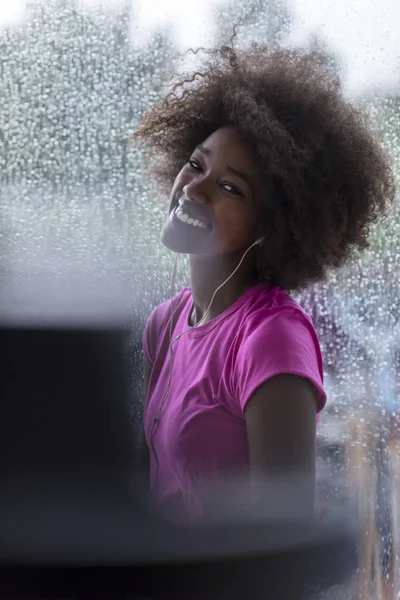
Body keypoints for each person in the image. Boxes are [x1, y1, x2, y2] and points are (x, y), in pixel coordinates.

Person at [133, 41, 394, 523]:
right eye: (196, 163)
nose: (193, 188)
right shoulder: (165, 325)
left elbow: (282, 543)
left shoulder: (271, 339)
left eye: (230, 187)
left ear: (275, 225)